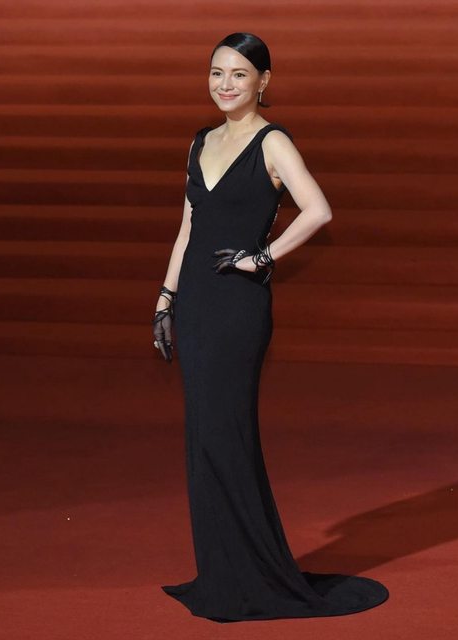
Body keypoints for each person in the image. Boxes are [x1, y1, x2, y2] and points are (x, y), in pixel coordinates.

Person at [154, 32, 389, 622]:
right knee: (204, 436)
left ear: (264, 81)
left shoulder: (272, 141)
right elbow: (188, 229)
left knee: (225, 434)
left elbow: (319, 209)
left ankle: (251, 578)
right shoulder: (200, 141)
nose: (225, 84)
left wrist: (262, 257)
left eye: (239, 74)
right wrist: (165, 298)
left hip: (237, 308)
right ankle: (224, 572)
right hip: (196, 302)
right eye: (216, 72)